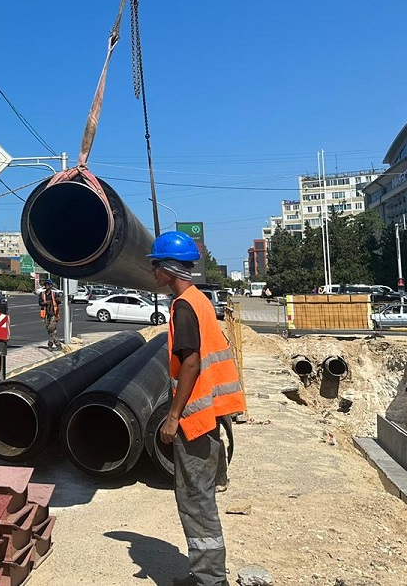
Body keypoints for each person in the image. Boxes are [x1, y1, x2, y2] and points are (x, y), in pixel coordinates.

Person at [153, 231, 246, 586]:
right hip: (211, 411)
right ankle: (206, 574)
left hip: (196, 417)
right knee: (199, 497)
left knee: (195, 500)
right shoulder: (199, 300)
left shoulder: (184, 306)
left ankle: (210, 580)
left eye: (155, 265)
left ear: (168, 268)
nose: (152, 273)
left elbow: (190, 364)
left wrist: (173, 417)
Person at [38, 278, 61, 349]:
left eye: (48, 284)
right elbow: (40, 303)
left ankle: (50, 344)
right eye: (46, 284)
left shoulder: (54, 294)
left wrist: (57, 300)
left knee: (51, 328)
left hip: (53, 314)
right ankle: (58, 344)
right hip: (46, 314)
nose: (47, 285)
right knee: (51, 330)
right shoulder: (42, 294)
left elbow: (59, 302)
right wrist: (45, 302)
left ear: (51, 286)